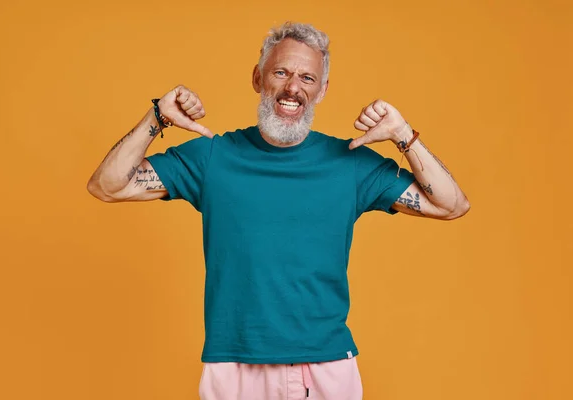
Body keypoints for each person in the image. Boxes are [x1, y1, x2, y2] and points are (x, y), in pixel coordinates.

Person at [87, 21, 470, 400]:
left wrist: (404, 135)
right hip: (234, 366)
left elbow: (451, 204)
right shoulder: (212, 157)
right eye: (281, 72)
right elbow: (107, 185)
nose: (293, 87)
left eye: (307, 78)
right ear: (258, 78)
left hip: (325, 366)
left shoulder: (350, 163)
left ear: (321, 90)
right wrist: (158, 117)